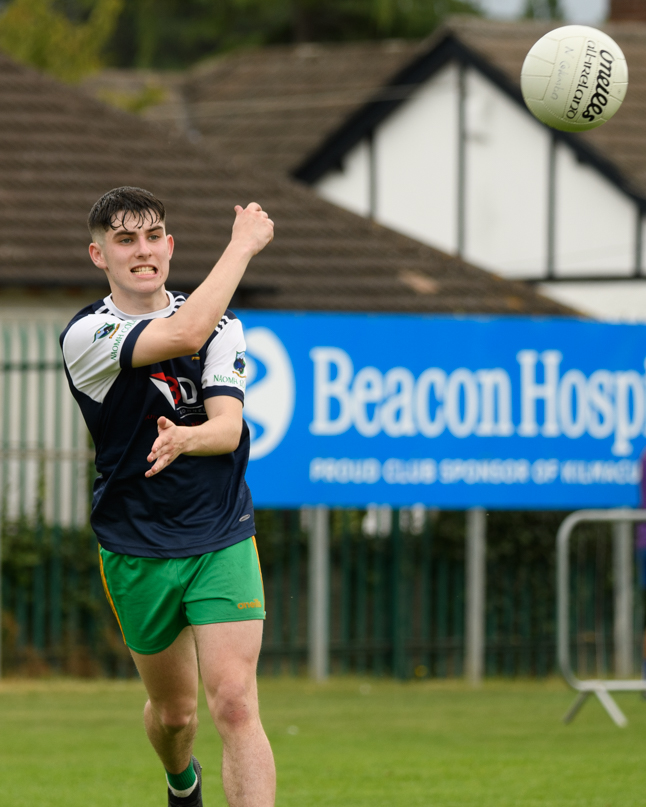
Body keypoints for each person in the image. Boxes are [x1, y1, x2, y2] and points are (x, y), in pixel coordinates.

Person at [60, 186, 276, 807]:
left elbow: (228, 429)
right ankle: (182, 782)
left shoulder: (223, 325)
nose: (143, 251)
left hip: (220, 531)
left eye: (153, 236)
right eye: (125, 240)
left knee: (235, 704)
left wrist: (189, 438)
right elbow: (182, 333)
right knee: (176, 714)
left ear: (171, 246)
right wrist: (241, 247)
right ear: (99, 254)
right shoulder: (88, 334)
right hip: (137, 544)